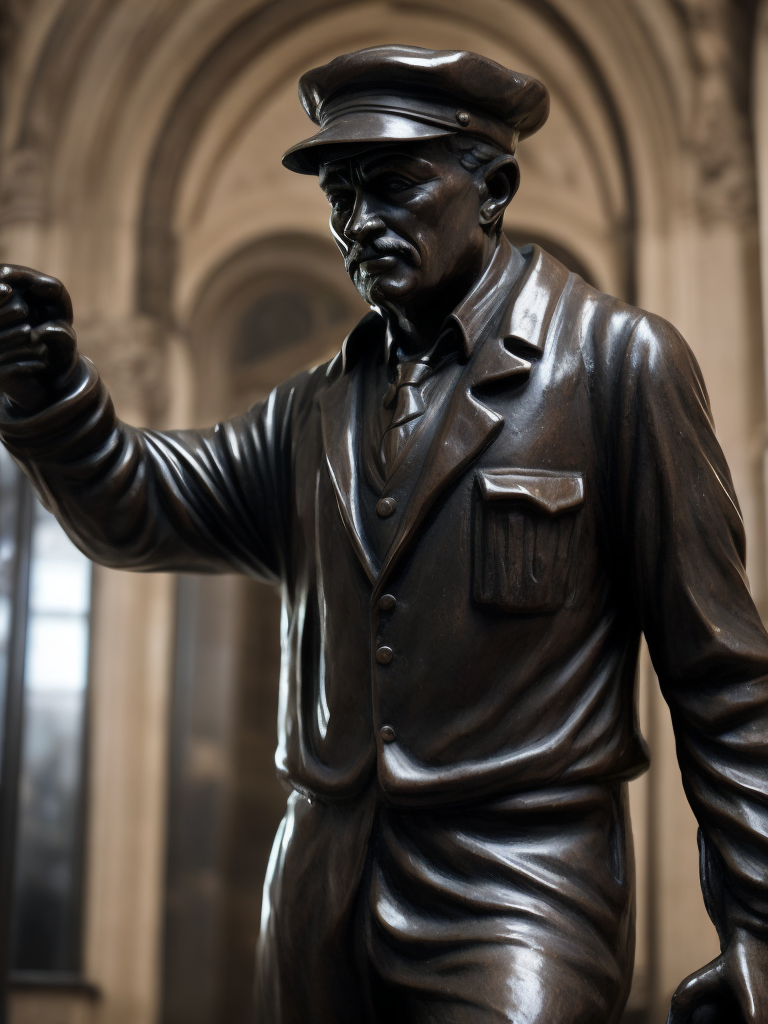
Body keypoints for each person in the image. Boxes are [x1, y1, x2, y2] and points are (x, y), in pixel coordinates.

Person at [0, 43, 767, 1024]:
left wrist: (757, 920)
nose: (360, 221)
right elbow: (136, 504)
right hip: (318, 891)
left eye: (396, 185)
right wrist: (49, 392)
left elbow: (722, 679)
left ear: (493, 190)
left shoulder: (619, 368)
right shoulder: (313, 410)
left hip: (522, 891)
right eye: (341, 194)